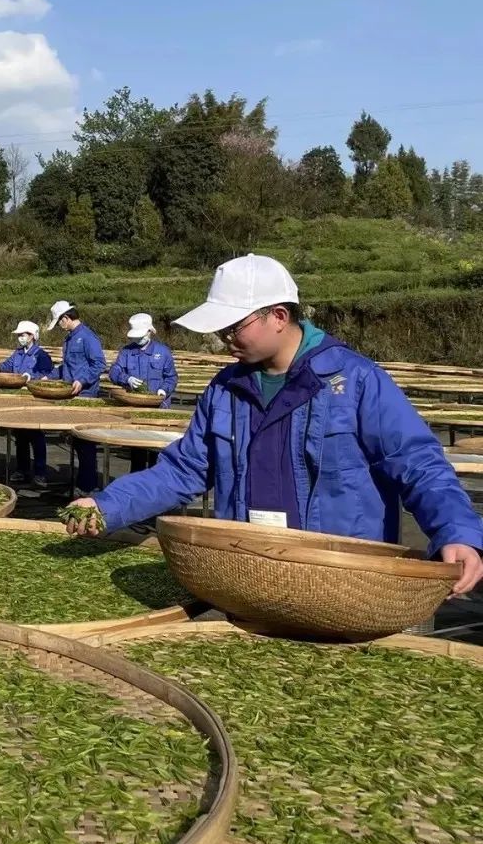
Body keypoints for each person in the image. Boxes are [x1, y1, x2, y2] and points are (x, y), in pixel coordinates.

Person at [64, 254, 483, 596]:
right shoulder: (226, 389)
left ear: (278, 316)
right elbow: (184, 470)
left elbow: (418, 463)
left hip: (343, 582)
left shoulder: (352, 382)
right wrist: (109, 505)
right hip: (249, 575)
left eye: (234, 327)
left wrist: (457, 532)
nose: (224, 338)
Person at [46, 300, 107, 494]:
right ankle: (79, 484)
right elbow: (68, 367)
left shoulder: (87, 337)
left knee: (86, 443)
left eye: (60, 322)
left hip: (86, 394)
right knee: (77, 442)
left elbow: (99, 364)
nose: (60, 326)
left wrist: (82, 380)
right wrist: (50, 376)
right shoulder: (70, 338)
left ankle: (89, 486)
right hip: (70, 394)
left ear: (66, 318)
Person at [0, 319, 54, 491]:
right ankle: (22, 469)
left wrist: (31, 376)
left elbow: (46, 374)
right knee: (20, 435)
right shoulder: (18, 353)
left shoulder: (41, 355)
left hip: (34, 398)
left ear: (32, 336)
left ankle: (40, 473)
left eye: (23, 335)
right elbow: (8, 365)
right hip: (17, 397)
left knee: (36, 435)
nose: (20, 337)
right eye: (19, 335)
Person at [109, 313, 178, 405]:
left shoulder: (163, 351)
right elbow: (114, 371)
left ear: (149, 332)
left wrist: (164, 390)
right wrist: (127, 379)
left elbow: (171, 377)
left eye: (141, 337)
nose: (139, 340)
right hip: (132, 401)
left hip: (158, 403)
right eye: (136, 337)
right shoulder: (126, 351)